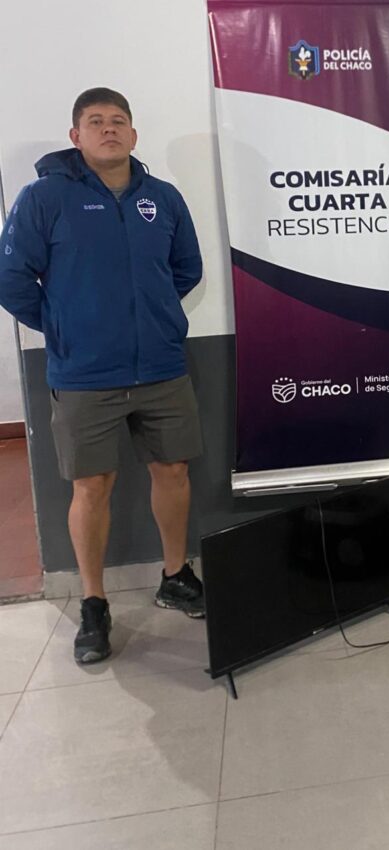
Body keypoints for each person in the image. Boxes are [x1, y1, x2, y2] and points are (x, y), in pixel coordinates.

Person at [0, 87, 207, 662]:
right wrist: (65, 326)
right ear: (76, 136)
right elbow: (11, 279)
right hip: (85, 374)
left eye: (119, 121)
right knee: (92, 486)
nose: (109, 129)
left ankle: (175, 575)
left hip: (161, 366)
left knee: (174, 470)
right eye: (95, 121)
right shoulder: (44, 198)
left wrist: (154, 317)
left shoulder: (162, 198)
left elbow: (187, 267)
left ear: (134, 135)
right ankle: (94, 603)